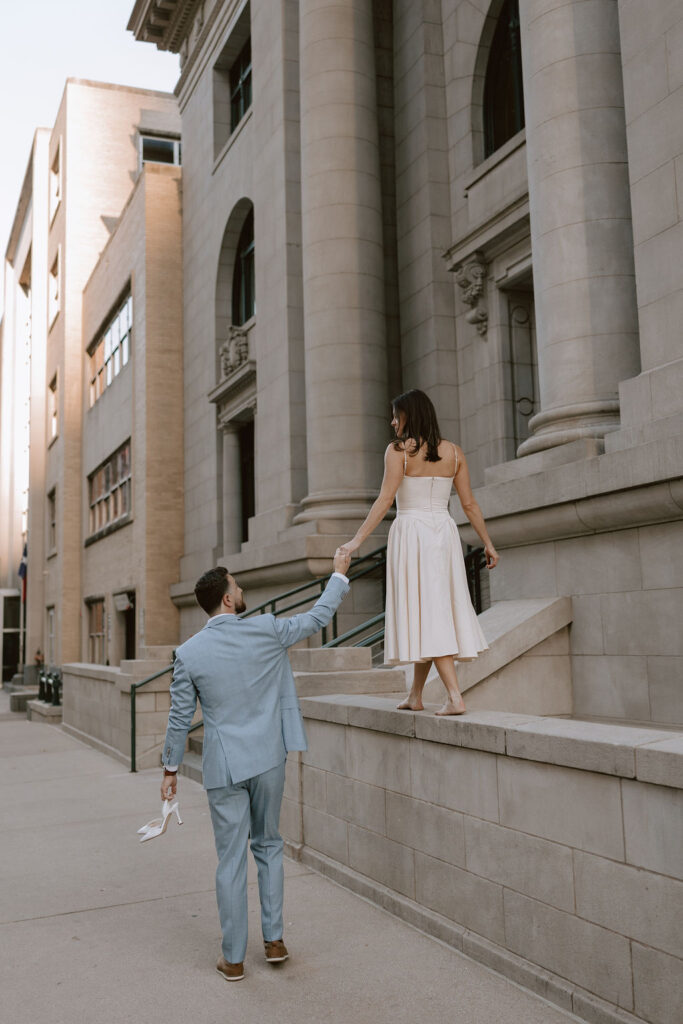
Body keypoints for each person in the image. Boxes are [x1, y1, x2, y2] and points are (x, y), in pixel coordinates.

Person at [159, 550, 351, 981]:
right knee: (268, 845)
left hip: (224, 766)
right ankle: (275, 939)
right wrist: (338, 575)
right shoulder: (266, 630)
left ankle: (233, 958)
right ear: (227, 600)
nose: (241, 590)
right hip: (269, 759)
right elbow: (317, 618)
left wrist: (170, 770)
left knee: (230, 861)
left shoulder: (189, 653)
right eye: (237, 586)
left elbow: (179, 717)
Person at [339, 389, 498, 716]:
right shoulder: (454, 452)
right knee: (432, 610)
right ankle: (416, 694)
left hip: (412, 533)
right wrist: (488, 542)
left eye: (397, 415)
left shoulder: (398, 451)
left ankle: (455, 696)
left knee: (430, 613)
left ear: (410, 415)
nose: (392, 421)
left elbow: (384, 501)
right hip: (445, 532)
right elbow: (469, 504)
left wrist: (356, 541)